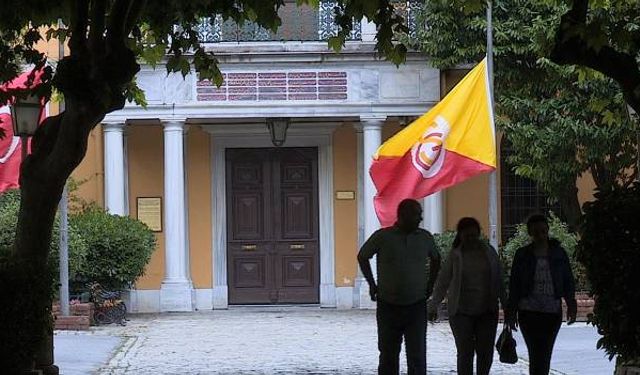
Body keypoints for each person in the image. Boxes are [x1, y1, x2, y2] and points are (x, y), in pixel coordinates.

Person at [357, 199, 441, 375]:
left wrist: (430, 285)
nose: (420, 218)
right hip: (388, 304)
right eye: (417, 215)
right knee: (388, 354)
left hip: (416, 304)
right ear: (404, 215)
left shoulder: (425, 237)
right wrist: (372, 284)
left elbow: (436, 258)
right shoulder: (383, 236)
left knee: (417, 355)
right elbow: (363, 256)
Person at [427, 217, 506, 375]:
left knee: (485, 352)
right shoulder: (455, 255)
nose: (471, 239)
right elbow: (443, 281)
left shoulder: (489, 253)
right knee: (465, 352)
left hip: (487, 311)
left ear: (478, 233)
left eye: (473, 235)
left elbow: (499, 280)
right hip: (461, 311)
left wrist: (506, 305)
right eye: (467, 236)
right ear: (460, 235)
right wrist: (433, 304)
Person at [506, 214, 577, 375]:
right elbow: (515, 285)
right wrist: (511, 313)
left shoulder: (559, 254)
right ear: (530, 233)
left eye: (543, 231)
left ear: (547, 231)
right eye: (536, 232)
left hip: (552, 311)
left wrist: (571, 303)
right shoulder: (522, 255)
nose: (540, 235)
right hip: (528, 311)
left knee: (545, 353)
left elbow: (567, 280)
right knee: (535, 353)